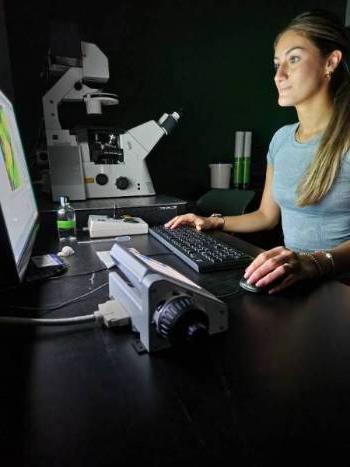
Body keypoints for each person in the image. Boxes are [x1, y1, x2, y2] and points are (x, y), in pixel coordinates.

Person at [165, 9, 350, 294]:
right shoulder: (281, 140)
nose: (279, 75)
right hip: (294, 279)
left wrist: (316, 262)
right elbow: (266, 215)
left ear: (330, 62)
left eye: (294, 59)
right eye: (277, 64)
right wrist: (214, 222)